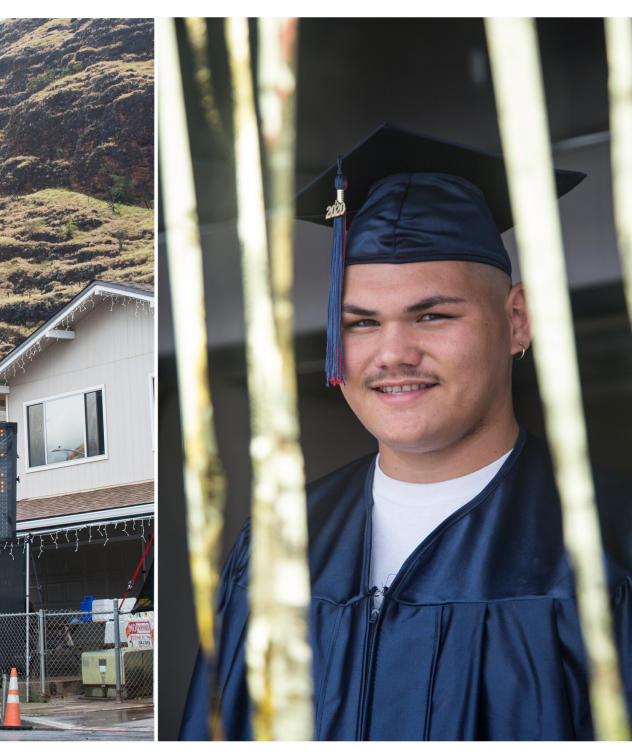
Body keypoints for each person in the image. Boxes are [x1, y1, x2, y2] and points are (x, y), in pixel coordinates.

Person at [179, 124, 632, 740]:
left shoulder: (608, 546)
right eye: (362, 323)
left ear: (517, 320)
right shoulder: (276, 547)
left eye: (432, 315)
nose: (392, 353)